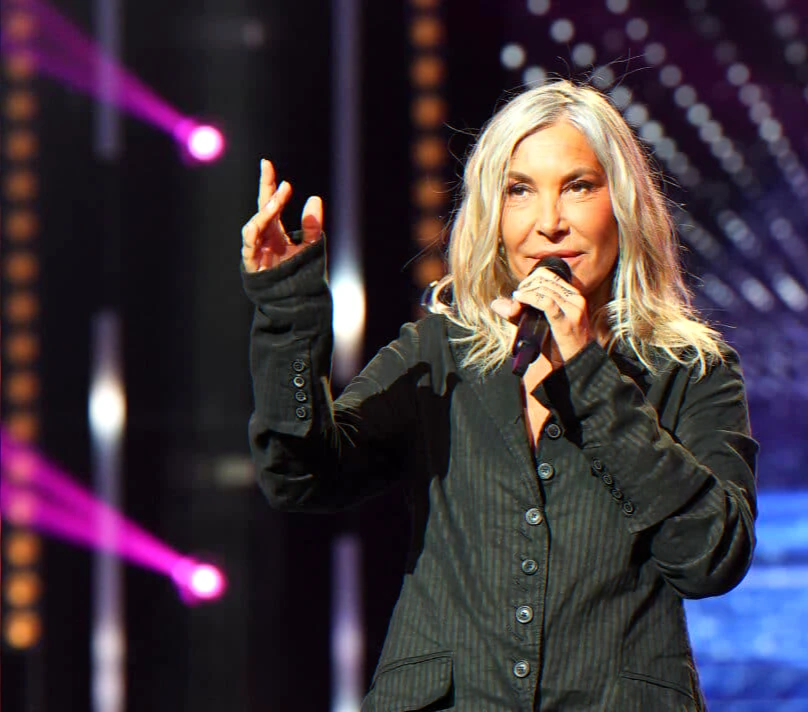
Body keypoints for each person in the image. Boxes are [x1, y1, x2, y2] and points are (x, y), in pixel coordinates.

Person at [240, 80, 758, 711]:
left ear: (623, 206)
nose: (549, 223)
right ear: (494, 216)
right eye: (520, 191)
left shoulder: (690, 370)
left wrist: (590, 377)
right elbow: (302, 477)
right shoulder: (442, 353)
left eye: (579, 186)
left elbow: (711, 556)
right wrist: (288, 312)